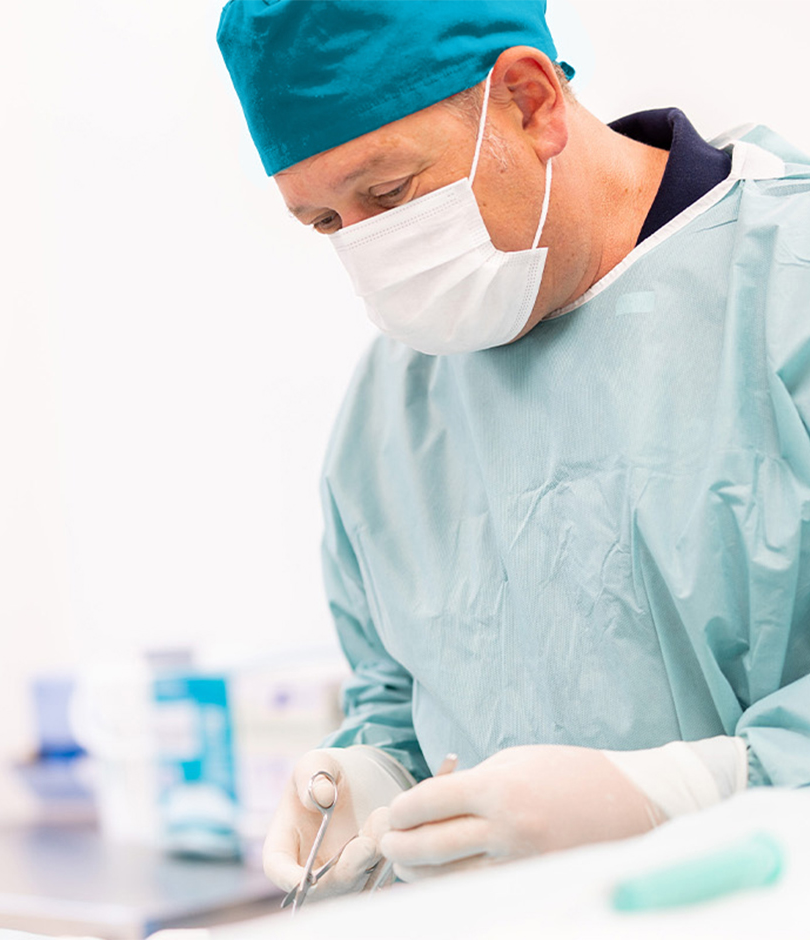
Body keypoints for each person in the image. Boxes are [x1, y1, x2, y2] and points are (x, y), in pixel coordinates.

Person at [215, 0, 810, 902]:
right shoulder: (394, 403)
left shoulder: (785, 290)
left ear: (531, 103)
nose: (373, 249)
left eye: (388, 193)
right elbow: (401, 691)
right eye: (327, 222)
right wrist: (378, 772)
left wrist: (697, 789)